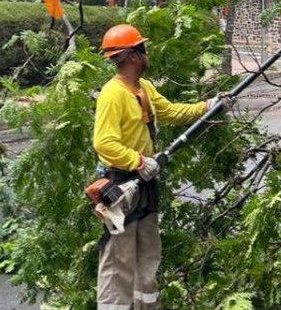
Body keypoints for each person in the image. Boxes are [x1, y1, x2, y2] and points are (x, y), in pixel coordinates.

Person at [93, 23, 235, 310]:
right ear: (134, 56)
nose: (148, 53)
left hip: (145, 185)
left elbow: (169, 112)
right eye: (143, 48)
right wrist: (138, 161)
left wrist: (207, 107)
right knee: (118, 262)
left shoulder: (143, 88)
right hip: (122, 187)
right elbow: (104, 143)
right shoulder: (113, 94)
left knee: (148, 256)